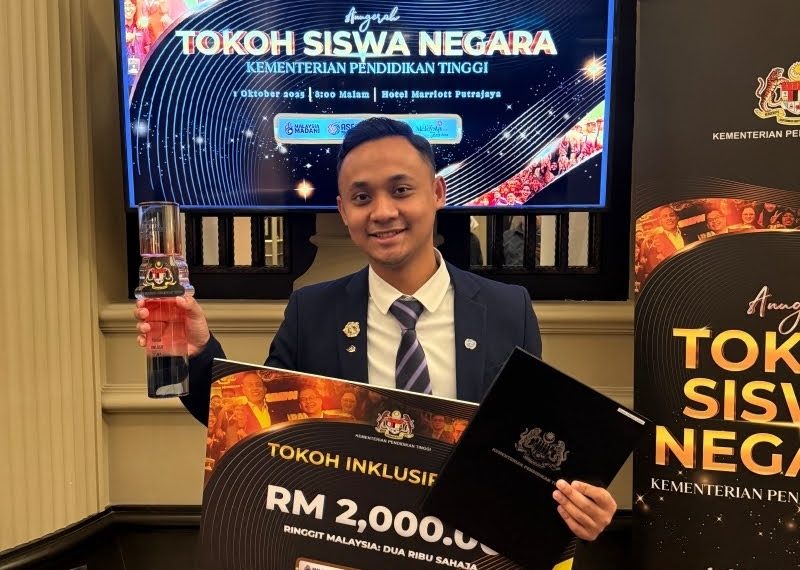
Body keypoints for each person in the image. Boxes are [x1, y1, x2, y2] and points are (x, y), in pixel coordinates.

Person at [134, 117, 616, 541]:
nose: (382, 212)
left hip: (467, 551)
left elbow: (531, 447)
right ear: (344, 211)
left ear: (438, 194)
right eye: (362, 197)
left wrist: (581, 504)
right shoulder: (312, 311)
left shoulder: (508, 309)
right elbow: (261, 426)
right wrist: (197, 352)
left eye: (401, 190)